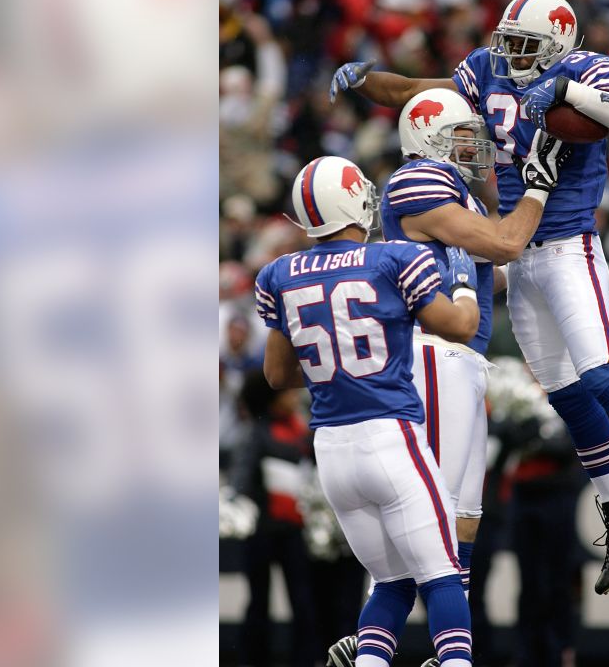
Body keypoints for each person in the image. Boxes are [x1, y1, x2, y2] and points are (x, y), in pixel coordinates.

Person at [330, 0, 609, 595]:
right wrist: (369, 79)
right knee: (565, 393)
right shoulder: (489, 69)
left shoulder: (586, 68)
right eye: (509, 43)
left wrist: (567, 93)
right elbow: (423, 93)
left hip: (571, 247)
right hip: (520, 254)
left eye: (526, 46)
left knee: (603, 376)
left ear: (557, 43)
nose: (512, 56)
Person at [326, 88, 566, 667]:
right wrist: (537, 186)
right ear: (428, 138)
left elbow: (495, 263)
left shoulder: (454, 192)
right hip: (435, 352)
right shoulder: (419, 183)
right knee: (430, 519)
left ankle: (397, 646)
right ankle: (399, 649)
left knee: (461, 523)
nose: (474, 146)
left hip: (463, 360)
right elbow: (507, 244)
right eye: (462, 134)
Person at [257, 155, 482, 667]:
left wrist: (333, 366)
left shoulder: (279, 273)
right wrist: (466, 288)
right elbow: (460, 327)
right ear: (353, 200)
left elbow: (277, 375)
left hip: (332, 451)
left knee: (391, 583)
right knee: (443, 574)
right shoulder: (392, 258)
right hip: (390, 436)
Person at [232, 370, 317, 667]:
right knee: (259, 604)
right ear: (271, 399)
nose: (295, 397)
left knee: (303, 603)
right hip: (261, 534)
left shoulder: (302, 430)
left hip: (295, 532)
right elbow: (241, 482)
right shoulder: (256, 433)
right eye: (288, 392)